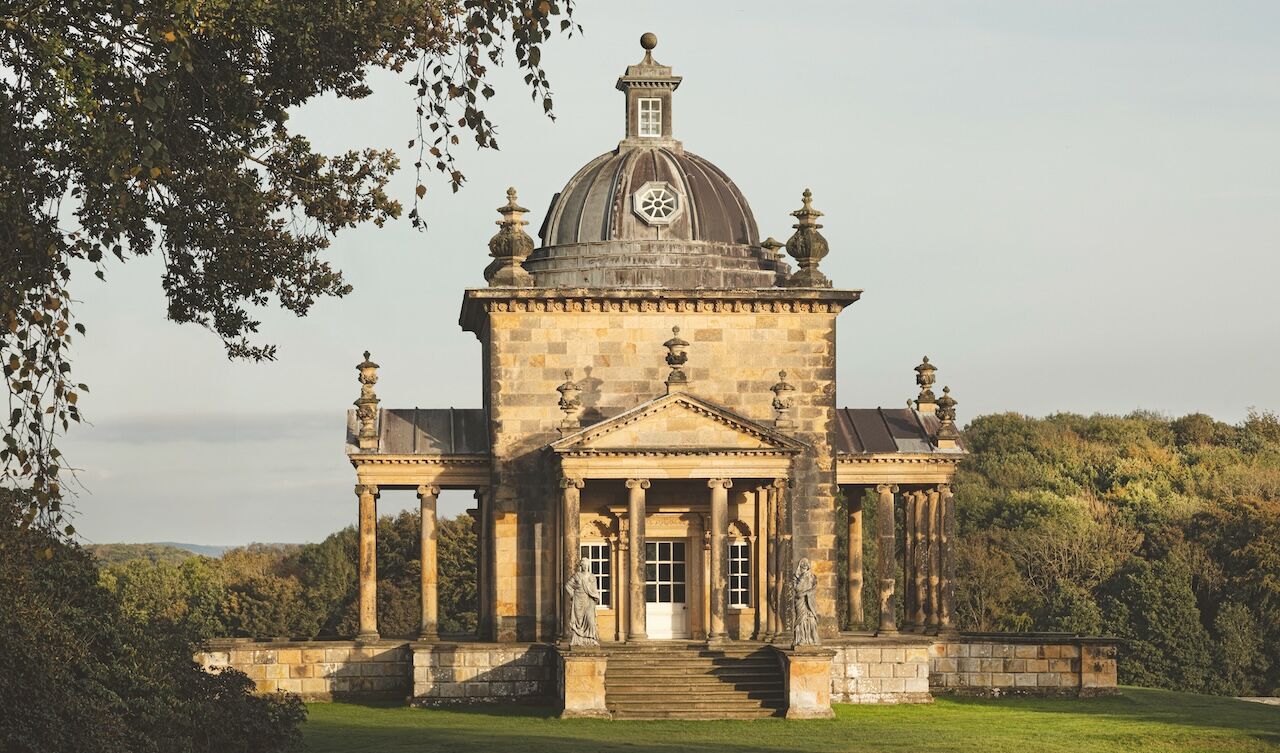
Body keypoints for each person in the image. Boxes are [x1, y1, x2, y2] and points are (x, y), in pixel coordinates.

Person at [565, 558, 601, 647]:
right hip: (578, 600)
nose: (585, 567)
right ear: (581, 566)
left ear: (588, 566)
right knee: (579, 621)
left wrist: (595, 597)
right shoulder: (577, 575)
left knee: (591, 621)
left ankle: (591, 639)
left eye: (586, 565)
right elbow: (567, 586)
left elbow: (594, 590)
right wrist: (572, 595)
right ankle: (578, 640)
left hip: (589, 601)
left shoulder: (592, 577)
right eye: (583, 565)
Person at [792, 558, 820, 647]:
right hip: (800, 601)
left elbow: (813, 589)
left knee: (811, 620)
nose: (804, 567)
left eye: (806, 565)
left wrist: (805, 593)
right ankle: (801, 639)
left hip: (809, 601)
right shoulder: (796, 577)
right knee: (801, 620)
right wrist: (801, 579)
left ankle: (811, 638)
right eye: (802, 565)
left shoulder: (812, 577)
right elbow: (796, 588)